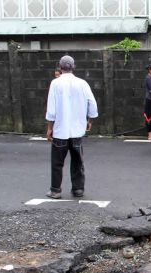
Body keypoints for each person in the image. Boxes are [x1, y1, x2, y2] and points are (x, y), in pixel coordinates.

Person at [45, 55, 98, 199]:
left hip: (60, 130)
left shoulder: (55, 83)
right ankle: (78, 189)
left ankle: (55, 190)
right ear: (74, 67)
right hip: (77, 131)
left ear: (60, 67)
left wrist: (50, 127)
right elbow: (92, 104)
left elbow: (51, 110)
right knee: (77, 161)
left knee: (57, 163)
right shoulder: (82, 83)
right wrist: (90, 119)